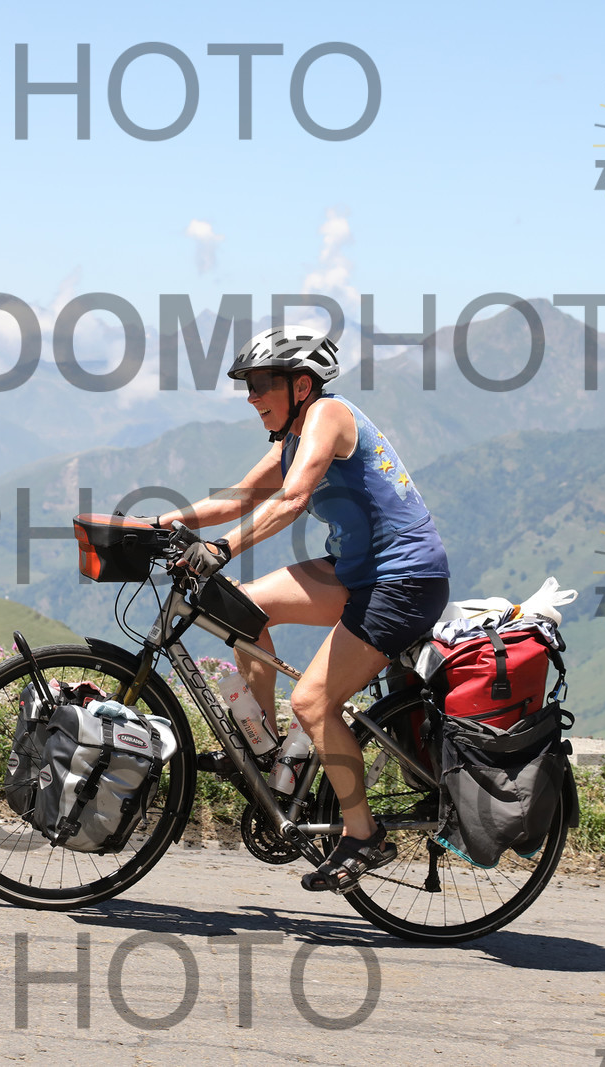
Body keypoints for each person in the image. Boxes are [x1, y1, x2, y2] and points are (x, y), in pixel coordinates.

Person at [155, 324, 450, 892]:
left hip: (404, 580)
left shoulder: (329, 416)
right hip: (357, 571)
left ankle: (364, 835)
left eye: (261, 384)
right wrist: (159, 523)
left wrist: (222, 549)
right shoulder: (290, 437)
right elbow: (240, 496)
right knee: (241, 609)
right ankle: (267, 753)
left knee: (313, 703)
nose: (251, 397)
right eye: (247, 385)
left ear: (301, 385)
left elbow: (292, 500)